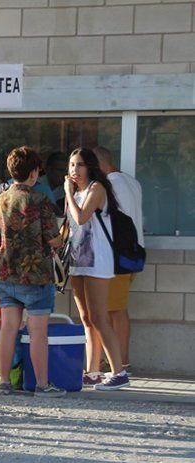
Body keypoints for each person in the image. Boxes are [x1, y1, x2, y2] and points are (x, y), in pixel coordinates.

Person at [0, 147, 66, 398]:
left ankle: (3, 381)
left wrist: (5, 239)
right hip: (37, 275)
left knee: (8, 328)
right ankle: (41, 384)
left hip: (7, 272)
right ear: (34, 172)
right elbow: (54, 239)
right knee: (38, 332)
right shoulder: (40, 200)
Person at [64, 148, 130, 391]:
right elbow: (71, 226)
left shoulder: (96, 189)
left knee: (100, 317)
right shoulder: (77, 192)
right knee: (86, 318)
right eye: (71, 165)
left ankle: (119, 371)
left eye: (79, 165)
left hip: (98, 261)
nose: (74, 170)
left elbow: (81, 217)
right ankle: (92, 372)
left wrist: (66, 194)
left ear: (90, 167)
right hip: (78, 260)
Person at [94, 146, 143, 377]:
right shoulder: (132, 182)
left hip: (117, 255)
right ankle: (118, 359)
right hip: (133, 253)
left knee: (115, 310)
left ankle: (121, 362)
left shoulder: (110, 186)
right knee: (115, 309)